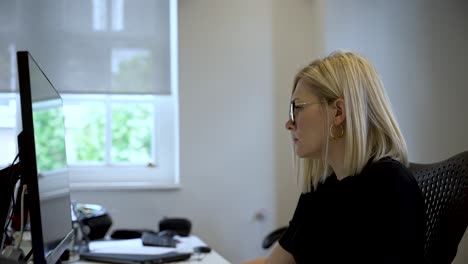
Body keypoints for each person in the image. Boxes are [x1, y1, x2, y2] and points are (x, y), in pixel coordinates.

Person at [243, 51, 426, 264]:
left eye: (296, 109)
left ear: (338, 111)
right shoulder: (321, 189)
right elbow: (271, 263)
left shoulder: (390, 186)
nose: (288, 123)